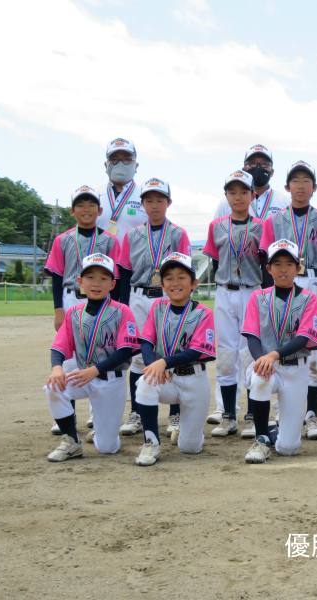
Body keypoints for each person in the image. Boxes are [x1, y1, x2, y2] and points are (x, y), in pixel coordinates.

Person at [259, 160, 317, 440]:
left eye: (306, 180)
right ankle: (282, 411)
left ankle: (311, 415)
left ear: (314, 187)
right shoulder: (273, 221)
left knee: (314, 355)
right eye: (295, 180)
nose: (301, 185)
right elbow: (265, 263)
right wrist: (269, 298)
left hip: (314, 281)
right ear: (287, 186)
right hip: (281, 283)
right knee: (280, 347)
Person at [44, 253, 139, 462]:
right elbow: (58, 347)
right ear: (80, 282)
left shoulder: (122, 311)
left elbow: (126, 351)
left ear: (112, 284)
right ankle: (71, 442)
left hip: (110, 380)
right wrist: (56, 368)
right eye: (90, 277)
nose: (96, 283)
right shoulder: (73, 312)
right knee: (53, 387)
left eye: (103, 278)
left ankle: (103, 431)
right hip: (83, 377)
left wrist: (95, 370)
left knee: (107, 448)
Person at [116, 178, 191, 438]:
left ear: (169, 202)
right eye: (149, 200)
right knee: (138, 355)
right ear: (142, 204)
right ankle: (137, 411)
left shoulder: (178, 233)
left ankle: (175, 413)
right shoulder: (132, 235)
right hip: (139, 295)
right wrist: (122, 306)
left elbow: (185, 272)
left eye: (160, 199)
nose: (155, 205)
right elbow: (125, 272)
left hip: (170, 296)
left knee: (172, 350)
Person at [44, 185, 120, 435]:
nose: (86, 209)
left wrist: (116, 307)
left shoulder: (109, 240)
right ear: (72, 210)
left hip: (102, 299)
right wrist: (58, 309)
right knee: (69, 357)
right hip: (71, 297)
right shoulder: (63, 239)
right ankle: (67, 412)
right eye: (80, 205)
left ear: (100, 210)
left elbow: (116, 278)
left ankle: (96, 411)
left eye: (91, 205)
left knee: (99, 350)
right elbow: (57, 276)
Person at [241, 240, 317, 463]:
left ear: (298, 268)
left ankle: (272, 431)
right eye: (277, 264)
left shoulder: (309, 298)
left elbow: (304, 338)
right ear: (268, 269)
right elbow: (252, 336)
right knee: (260, 378)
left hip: (296, 369)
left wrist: (273, 355)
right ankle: (261, 439)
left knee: (288, 448)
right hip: (267, 365)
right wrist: (262, 360)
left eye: (289, 264)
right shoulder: (258, 297)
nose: (283, 269)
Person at [133, 253, 216, 466]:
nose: (175, 283)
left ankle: (189, 432)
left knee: (190, 448)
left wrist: (164, 362)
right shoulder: (157, 307)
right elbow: (146, 341)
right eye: (169, 278)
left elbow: (196, 351)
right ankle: (151, 443)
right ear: (162, 284)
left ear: (194, 283)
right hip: (166, 378)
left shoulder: (203, 312)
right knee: (145, 383)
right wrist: (154, 366)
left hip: (194, 379)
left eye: (181, 277)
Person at [203, 170, 264, 437]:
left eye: (243, 192)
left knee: (249, 354)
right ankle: (229, 415)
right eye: (232, 192)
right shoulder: (216, 226)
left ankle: (252, 415)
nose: (238, 197)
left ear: (253, 195)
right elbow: (215, 262)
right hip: (224, 291)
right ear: (226, 195)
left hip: (252, 292)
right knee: (226, 354)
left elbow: (265, 263)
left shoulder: (262, 226)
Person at [213, 144, 290, 222]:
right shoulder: (227, 202)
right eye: (252, 163)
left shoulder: (286, 202)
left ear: (272, 172)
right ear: (244, 170)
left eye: (265, 164)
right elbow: (216, 228)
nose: (258, 167)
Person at [96, 138, 147, 243]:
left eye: (127, 159)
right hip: (98, 254)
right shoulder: (94, 195)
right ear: (106, 165)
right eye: (114, 159)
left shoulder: (147, 195)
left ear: (136, 166)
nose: (120, 164)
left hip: (135, 254)